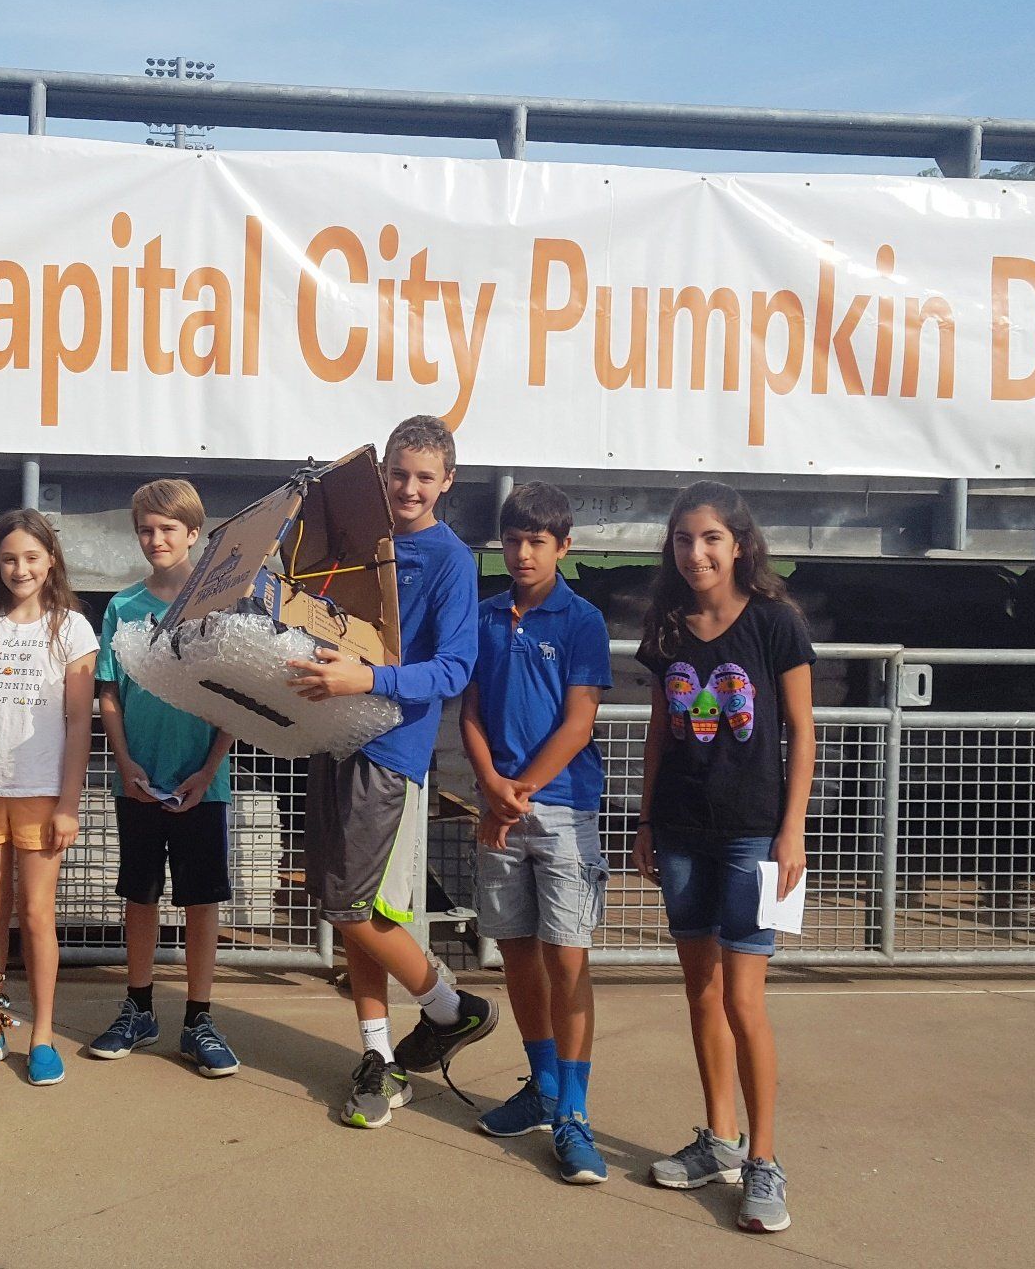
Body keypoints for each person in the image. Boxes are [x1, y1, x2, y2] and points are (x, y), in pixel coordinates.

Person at [286, 415, 494, 1129]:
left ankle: (450, 1006)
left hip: (389, 752)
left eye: (423, 477)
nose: (408, 487)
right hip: (329, 737)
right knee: (356, 915)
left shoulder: (450, 561)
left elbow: (454, 667)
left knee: (353, 908)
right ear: (381, 475)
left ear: (446, 483)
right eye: (397, 473)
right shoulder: (352, 547)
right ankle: (376, 1053)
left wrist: (365, 679)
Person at [633, 480, 814, 1233]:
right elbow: (658, 730)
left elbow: (802, 730)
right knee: (700, 991)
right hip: (680, 832)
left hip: (753, 835)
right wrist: (643, 821)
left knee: (744, 999)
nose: (695, 551)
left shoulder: (775, 621)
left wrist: (792, 829)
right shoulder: (668, 626)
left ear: (737, 543)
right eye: (682, 539)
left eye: (709, 537)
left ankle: (764, 1158)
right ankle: (719, 1140)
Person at [460, 481, 612, 1182]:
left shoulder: (581, 620)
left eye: (537, 542)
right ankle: (542, 1084)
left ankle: (574, 1111)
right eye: (513, 540)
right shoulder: (484, 616)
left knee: (566, 958)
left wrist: (518, 790)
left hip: (561, 809)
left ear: (563, 546)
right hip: (499, 810)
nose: (522, 553)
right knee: (516, 952)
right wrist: (491, 784)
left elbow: (578, 720)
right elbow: (469, 710)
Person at [90, 479, 240, 1076]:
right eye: (146, 530)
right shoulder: (123, 608)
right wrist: (124, 763)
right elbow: (108, 693)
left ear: (193, 534)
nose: (156, 540)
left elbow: (235, 698)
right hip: (139, 781)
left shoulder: (220, 606)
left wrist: (209, 770)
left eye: (168, 530)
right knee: (141, 893)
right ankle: (139, 1008)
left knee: (202, 899)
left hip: (204, 783)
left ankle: (199, 1017)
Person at [0, 509, 97, 1085]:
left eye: (32, 558)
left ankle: (42, 1035)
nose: (21, 568)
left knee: (38, 915)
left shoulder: (72, 629)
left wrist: (69, 802)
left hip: (43, 793)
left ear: (50, 562)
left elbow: (78, 722)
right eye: (10, 558)